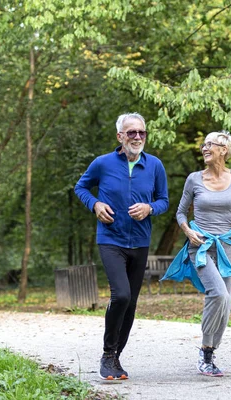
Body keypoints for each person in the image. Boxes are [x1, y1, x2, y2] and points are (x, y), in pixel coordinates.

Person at [74, 112, 168, 380]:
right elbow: (80, 188)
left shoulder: (155, 166)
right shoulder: (102, 164)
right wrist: (95, 204)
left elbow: (163, 200)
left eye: (142, 133)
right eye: (132, 133)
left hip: (140, 241)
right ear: (120, 136)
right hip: (111, 239)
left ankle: (115, 358)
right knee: (121, 296)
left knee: (132, 303)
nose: (137, 137)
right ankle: (107, 354)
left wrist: (150, 208)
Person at [162, 130, 231, 377]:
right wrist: (187, 231)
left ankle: (211, 352)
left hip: (227, 247)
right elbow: (181, 213)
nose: (204, 148)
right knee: (219, 295)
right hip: (201, 246)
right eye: (203, 145)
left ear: (224, 150)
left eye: (210, 145)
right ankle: (205, 352)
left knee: (226, 305)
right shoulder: (194, 179)